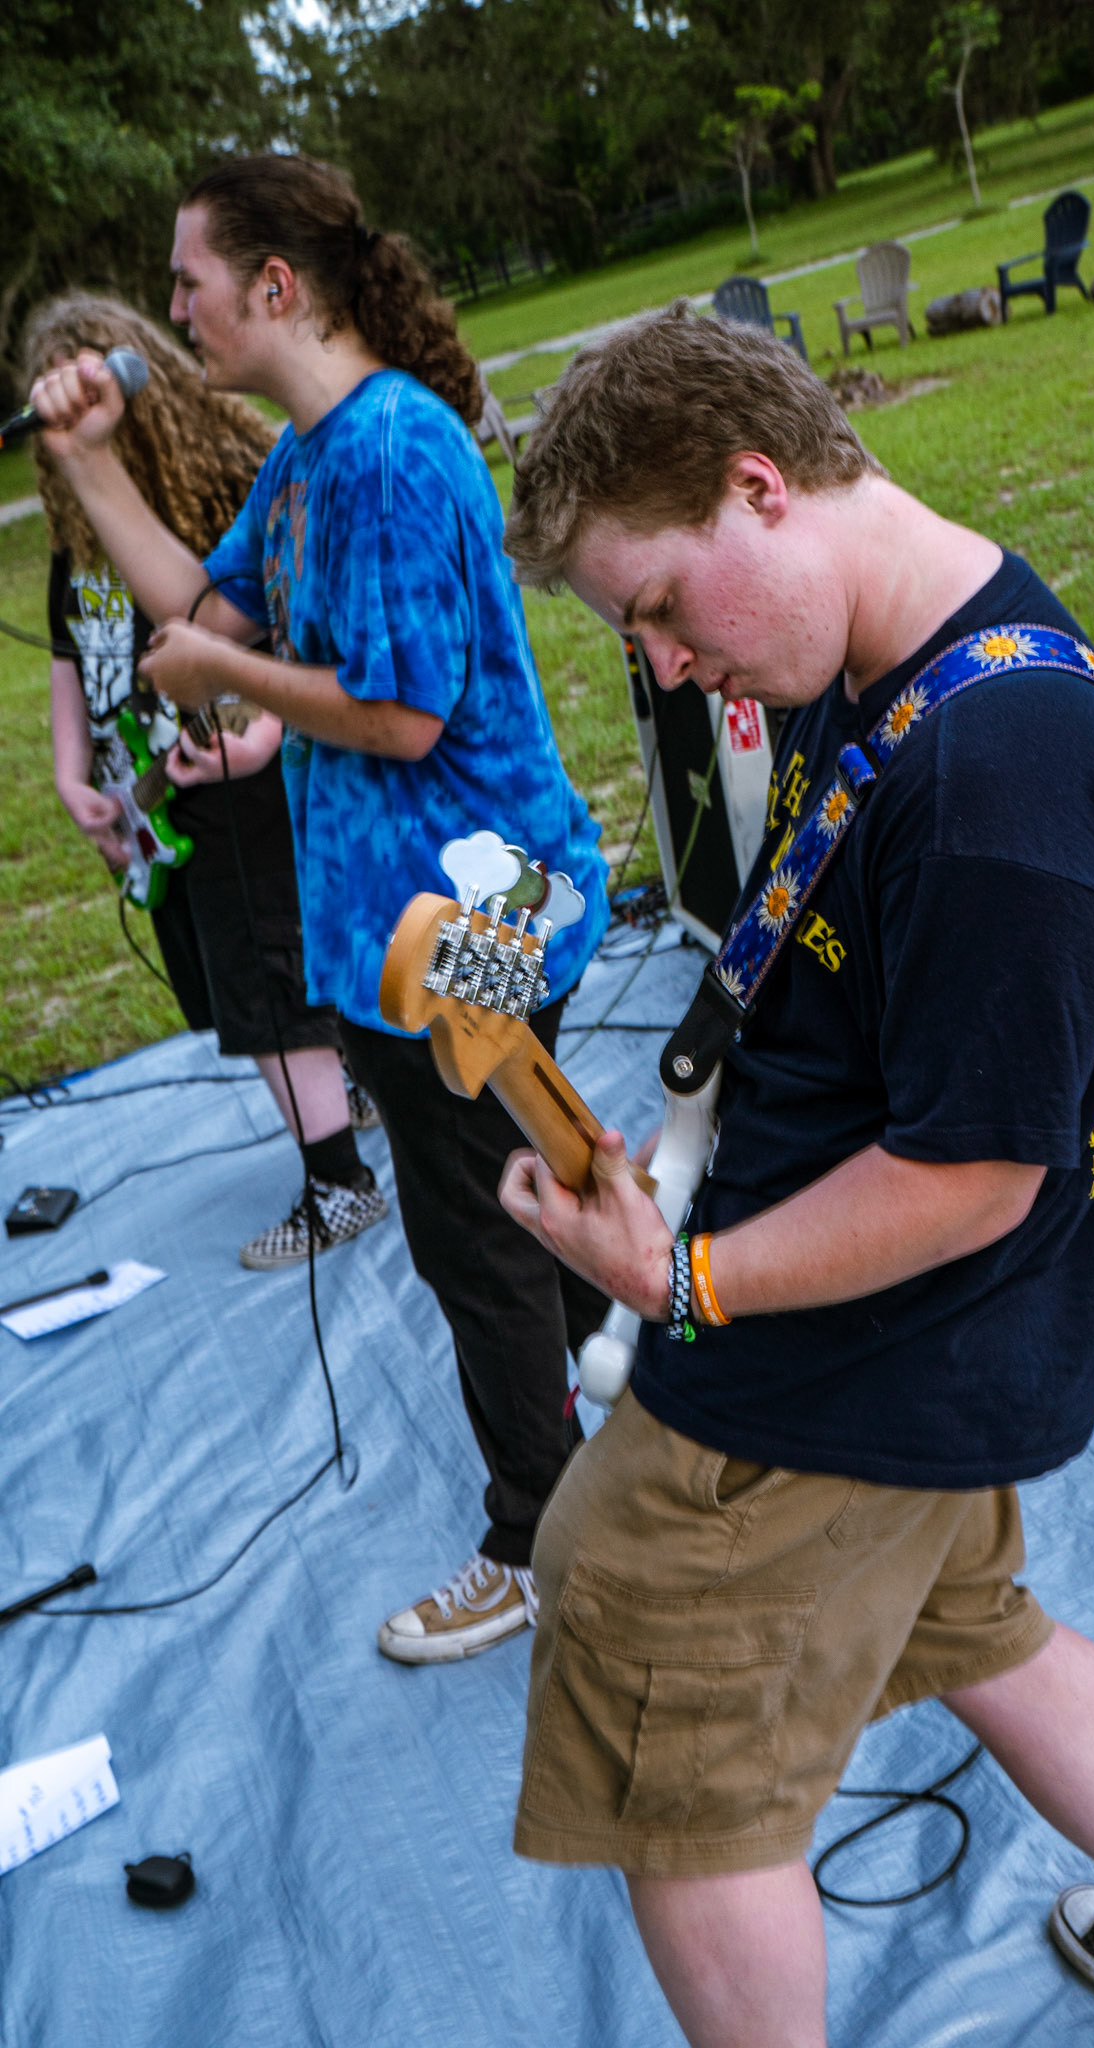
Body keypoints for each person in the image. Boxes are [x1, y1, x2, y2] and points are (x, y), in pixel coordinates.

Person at [495, 306, 1094, 2048]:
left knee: (654, 1683)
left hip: (840, 1367)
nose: (659, 664)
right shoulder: (906, 651)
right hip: (911, 1354)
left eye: (653, 604)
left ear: (758, 487)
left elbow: (968, 1179)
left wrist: (679, 1279)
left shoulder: (995, 773)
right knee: (978, 1626)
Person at [29, 158, 610, 1666]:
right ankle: (631, 1370)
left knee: (476, 1224)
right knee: (522, 1161)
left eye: (188, 281)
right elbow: (196, 607)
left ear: (274, 286)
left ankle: (539, 1542)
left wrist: (225, 679)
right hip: (398, 932)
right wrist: (91, 463)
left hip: (479, 915)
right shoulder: (303, 458)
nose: (171, 311)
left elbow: (403, 715)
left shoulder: (393, 452)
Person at [28, 291, 384, 1272]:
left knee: (265, 976)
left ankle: (337, 1181)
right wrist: (70, 772)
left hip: (244, 783)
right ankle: (350, 1088)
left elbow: (300, 622)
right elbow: (68, 653)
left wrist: (264, 729)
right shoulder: (79, 533)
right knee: (227, 978)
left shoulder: (225, 490)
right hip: (159, 802)